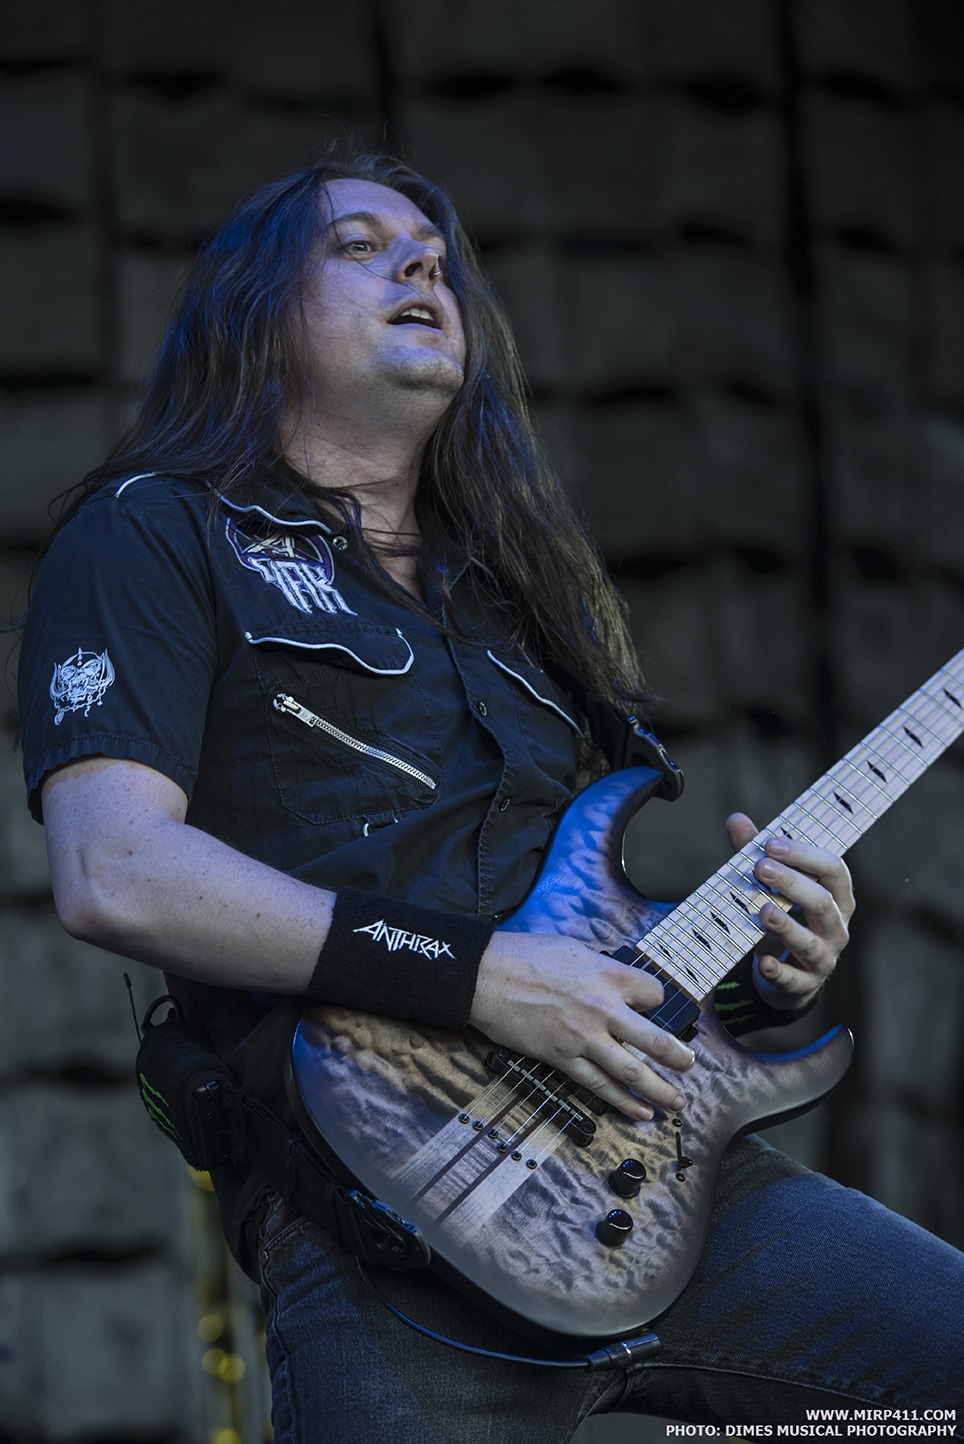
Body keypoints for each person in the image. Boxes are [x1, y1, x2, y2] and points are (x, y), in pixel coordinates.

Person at [17, 152, 963, 1442]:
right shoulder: (154, 533)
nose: (424, 263)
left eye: (435, 254)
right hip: (391, 1216)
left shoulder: (521, 600)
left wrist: (763, 978)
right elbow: (116, 871)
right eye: (361, 246)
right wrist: (481, 979)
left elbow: (590, 945)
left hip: (665, 1181)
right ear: (256, 313)